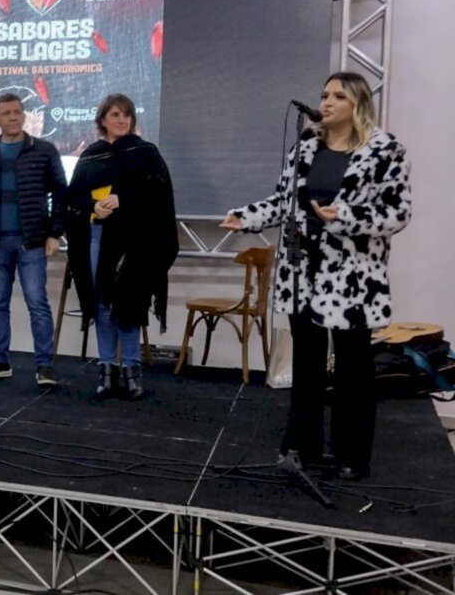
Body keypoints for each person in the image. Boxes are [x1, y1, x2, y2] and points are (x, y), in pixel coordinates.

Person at [221, 71, 411, 481]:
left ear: (356, 104)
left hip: (353, 277)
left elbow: (397, 213)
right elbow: (283, 202)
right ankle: (304, 447)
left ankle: (351, 455)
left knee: (353, 370)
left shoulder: (385, 150)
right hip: (302, 272)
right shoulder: (305, 147)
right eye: (324, 95)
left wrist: (345, 216)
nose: (325, 102)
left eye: (337, 96)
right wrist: (247, 217)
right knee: (306, 365)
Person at [65, 94, 178, 400]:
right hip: (98, 238)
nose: (122, 120)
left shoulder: (146, 153)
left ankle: (132, 371)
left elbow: (158, 197)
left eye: (126, 115)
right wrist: (93, 207)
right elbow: (73, 198)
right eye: (115, 114)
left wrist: (124, 200)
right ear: (103, 119)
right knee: (101, 305)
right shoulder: (91, 156)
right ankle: (107, 371)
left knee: (129, 305)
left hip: (135, 242)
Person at [0, 93, 66, 387]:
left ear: (24, 116)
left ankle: (44, 366)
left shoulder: (44, 150)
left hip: (32, 241)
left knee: (38, 303)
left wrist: (54, 233)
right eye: (6, 113)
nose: (12, 117)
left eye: (17, 112)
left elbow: (61, 193)